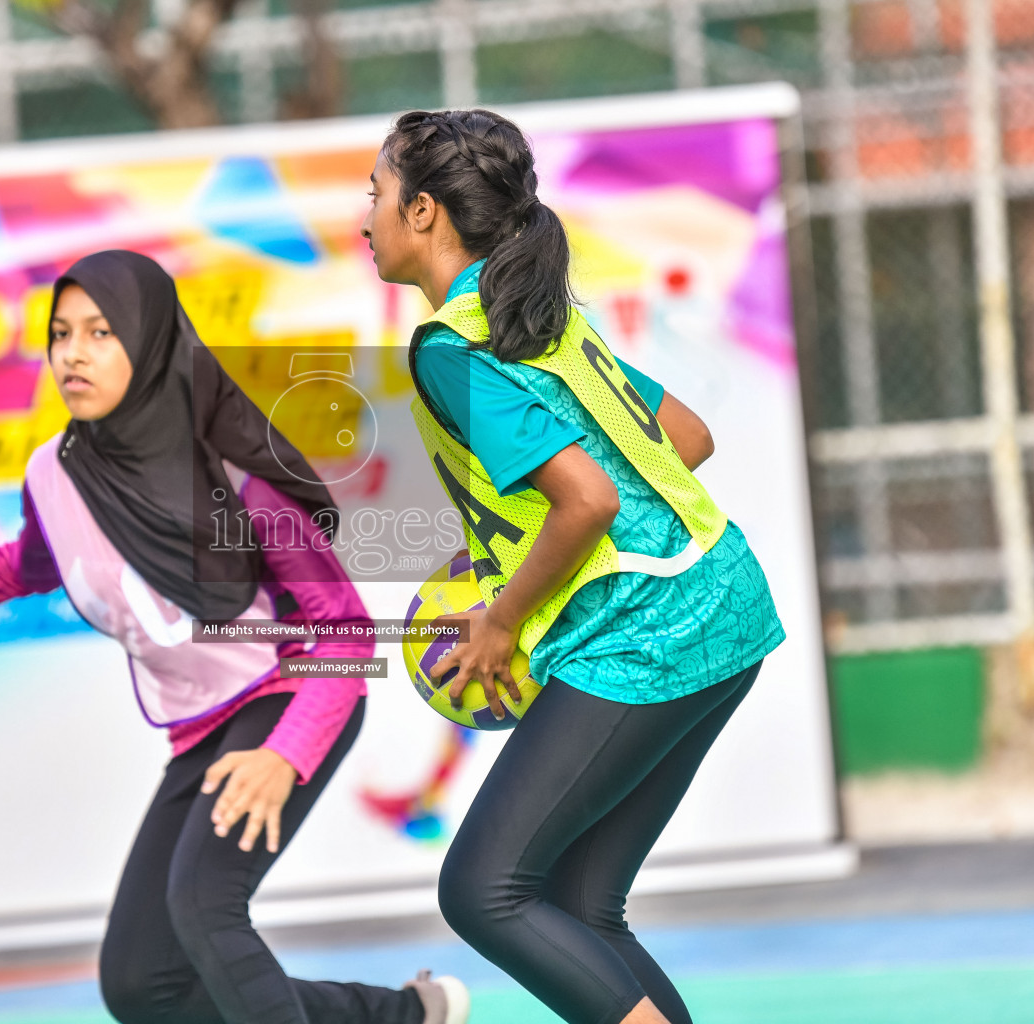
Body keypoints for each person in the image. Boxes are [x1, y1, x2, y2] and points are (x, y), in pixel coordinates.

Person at [0, 250, 468, 1024]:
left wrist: (284, 753)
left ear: (153, 340)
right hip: (203, 729)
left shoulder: (235, 471)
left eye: (100, 333)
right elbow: (23, 565)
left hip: (288, 698)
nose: (73, 354)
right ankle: (408, 1016)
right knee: (142, 984)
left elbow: (346, 636)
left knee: (203, 906)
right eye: (60, 334)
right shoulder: (56, 472)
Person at [361, 110, 786, 1024]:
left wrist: (502, 617)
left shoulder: (450, 345)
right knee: (582, 909)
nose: (366, 218)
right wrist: (512, 543)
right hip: (727, 602)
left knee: (484, 890)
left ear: (425, 211)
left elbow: (587, 501)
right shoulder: (543, 315)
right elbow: (686, 439)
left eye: (377, 194)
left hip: (648, 635)